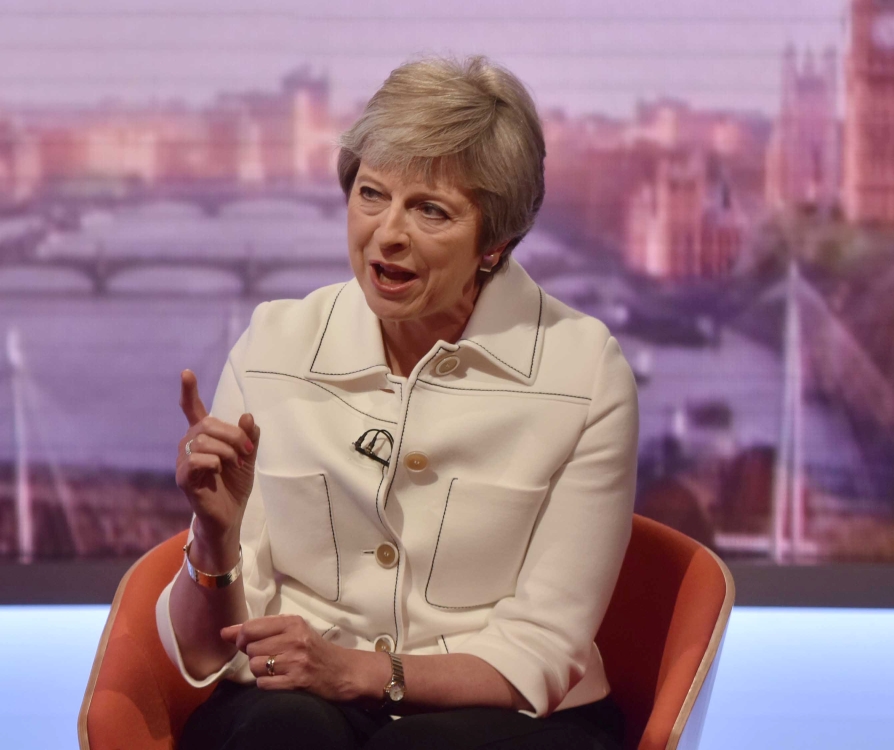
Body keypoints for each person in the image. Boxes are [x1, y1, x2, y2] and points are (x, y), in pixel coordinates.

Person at [157, 56, 639, 750]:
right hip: (295, 700)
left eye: (431, 210)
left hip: (502, 712)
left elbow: (543, 649)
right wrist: (214, 536)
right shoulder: (276, 344)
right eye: (372, 194)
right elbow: (211, 655)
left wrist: (359, 671)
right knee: (282, 734)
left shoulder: (584, 372)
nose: (387, 232)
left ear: (494, 244)